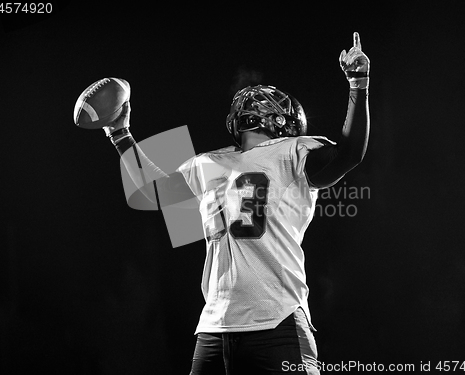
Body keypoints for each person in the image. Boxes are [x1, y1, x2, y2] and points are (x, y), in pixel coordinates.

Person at [102, 32, 370, 375]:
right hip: (216, 325)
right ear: (280, 117)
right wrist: (119, 132)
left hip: (277, 318)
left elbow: (349, 155)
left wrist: (359, 85)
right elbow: (154, 192)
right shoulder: (209, 163)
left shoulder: (292, 152)